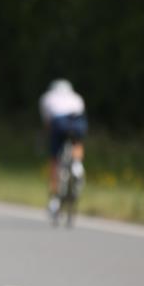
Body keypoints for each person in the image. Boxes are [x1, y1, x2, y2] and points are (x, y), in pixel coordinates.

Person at [39, 79, 87, 215]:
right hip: (77, 121)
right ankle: (77, 166)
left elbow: (47, 122)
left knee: (54, 160)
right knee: (77, 142)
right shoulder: (76, 97)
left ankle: (54, 199)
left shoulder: (47, 97)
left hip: (59, 122)